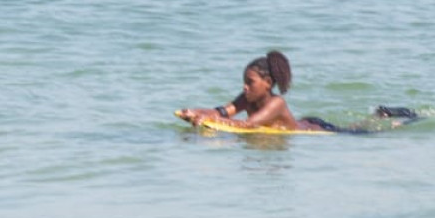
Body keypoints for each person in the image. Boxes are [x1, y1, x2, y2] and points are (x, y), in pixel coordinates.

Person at [176, 50, 416, 133]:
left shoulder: (276, 104)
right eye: (244, 82)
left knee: (362, 131)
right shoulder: (246, 98)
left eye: (250, 82)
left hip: (318, 129)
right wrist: (195, 111)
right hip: (305, 121)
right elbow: (222, 111)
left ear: (267, 83)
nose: (245, 87)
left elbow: (249, 125)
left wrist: (208, 120)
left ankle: (383, 116)